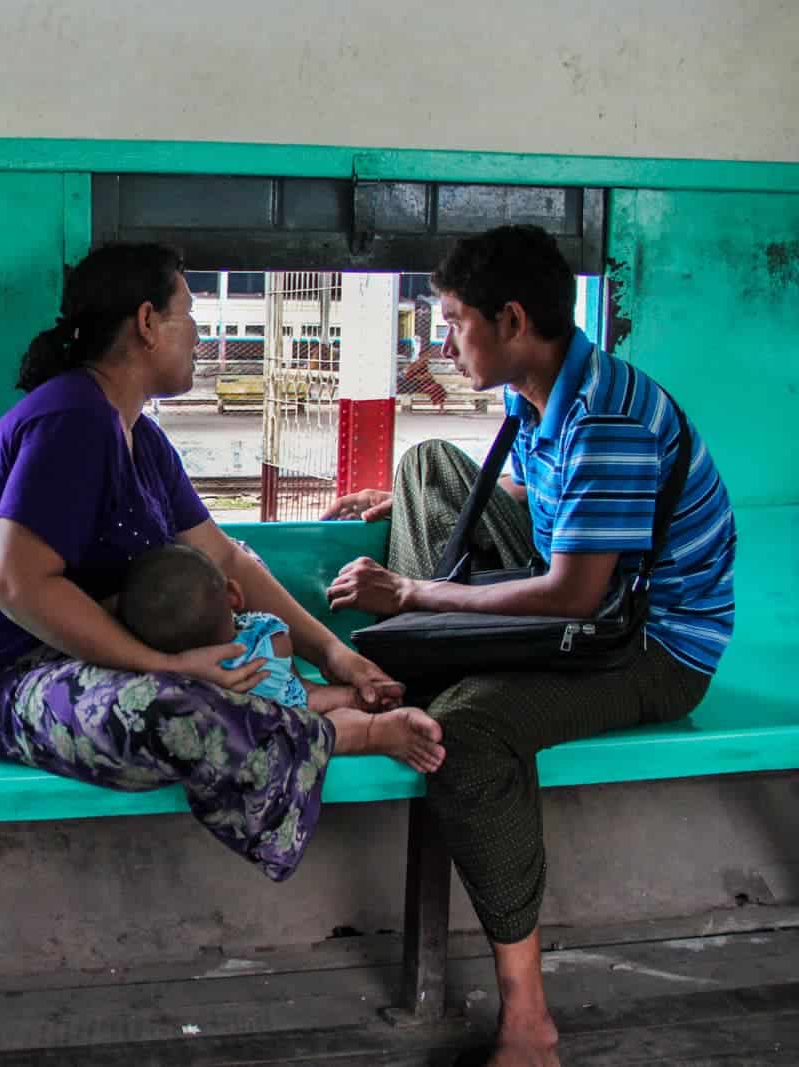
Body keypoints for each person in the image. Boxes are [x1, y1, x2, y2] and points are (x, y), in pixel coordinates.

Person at [321, 225, 736, 1067]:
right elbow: (533, 490)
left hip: (649, 643)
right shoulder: (539, 390)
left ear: (510, 320)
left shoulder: (610, 418)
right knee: (428, 466)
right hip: (587, 590)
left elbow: (574, 594)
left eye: (453, 320)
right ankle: (430, 663)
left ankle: (529, 1020)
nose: (443, 340)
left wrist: (412, 593)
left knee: (466, 731)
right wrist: (392, 500)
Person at [0, 243, 445, 889]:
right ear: (147, 323)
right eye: (190, 313)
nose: (200, 334)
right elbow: (15, 584)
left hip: (89, 658)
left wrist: (334, 653)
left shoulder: (139, 438)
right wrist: (169, 664)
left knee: (232, 656)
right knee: (175, 712)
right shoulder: (73, 420)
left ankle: (328, 699)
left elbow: (224, 555)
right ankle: (349, 733)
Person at [119, 543, 360, 714]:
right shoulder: (270, 637)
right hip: (294, 709)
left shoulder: (172, 679)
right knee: (310, 696)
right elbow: (296, 689)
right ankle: (364, 708)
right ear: (234, 594)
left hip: (240, 729)